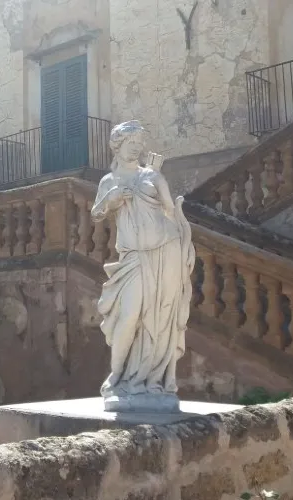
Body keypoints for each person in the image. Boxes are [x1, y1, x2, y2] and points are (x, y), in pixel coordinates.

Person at [91, 120, 195, 411]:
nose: (136, 147)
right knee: (129, 316)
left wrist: (186, 246)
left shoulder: (152, 176)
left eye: (140, 142)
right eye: (131, 142)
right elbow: (96, 213)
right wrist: (110, 201)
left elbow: (171, 212)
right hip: (134, 257)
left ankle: (152, 381)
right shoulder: (109, 181)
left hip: (166, 251)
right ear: (118, 145)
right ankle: (117, 377)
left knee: (161, 319)